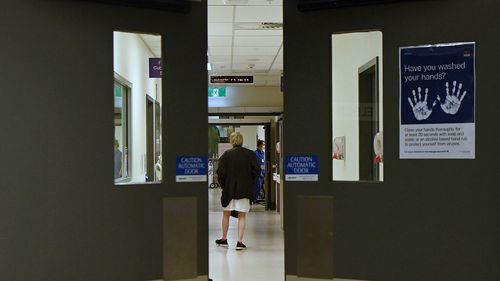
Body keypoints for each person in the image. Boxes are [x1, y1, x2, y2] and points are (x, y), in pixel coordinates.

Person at [215, 132, 260, 250]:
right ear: (242, 141)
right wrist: (250, 181)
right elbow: (257, 171)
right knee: (242, 215)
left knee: (226, 213)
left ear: (232, 141)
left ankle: (224, 239)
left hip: (229, 190)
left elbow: (220, 173)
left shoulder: (226, 155)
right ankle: (240, 242)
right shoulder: (250, 154)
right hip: (244, 190)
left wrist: (224, 184)